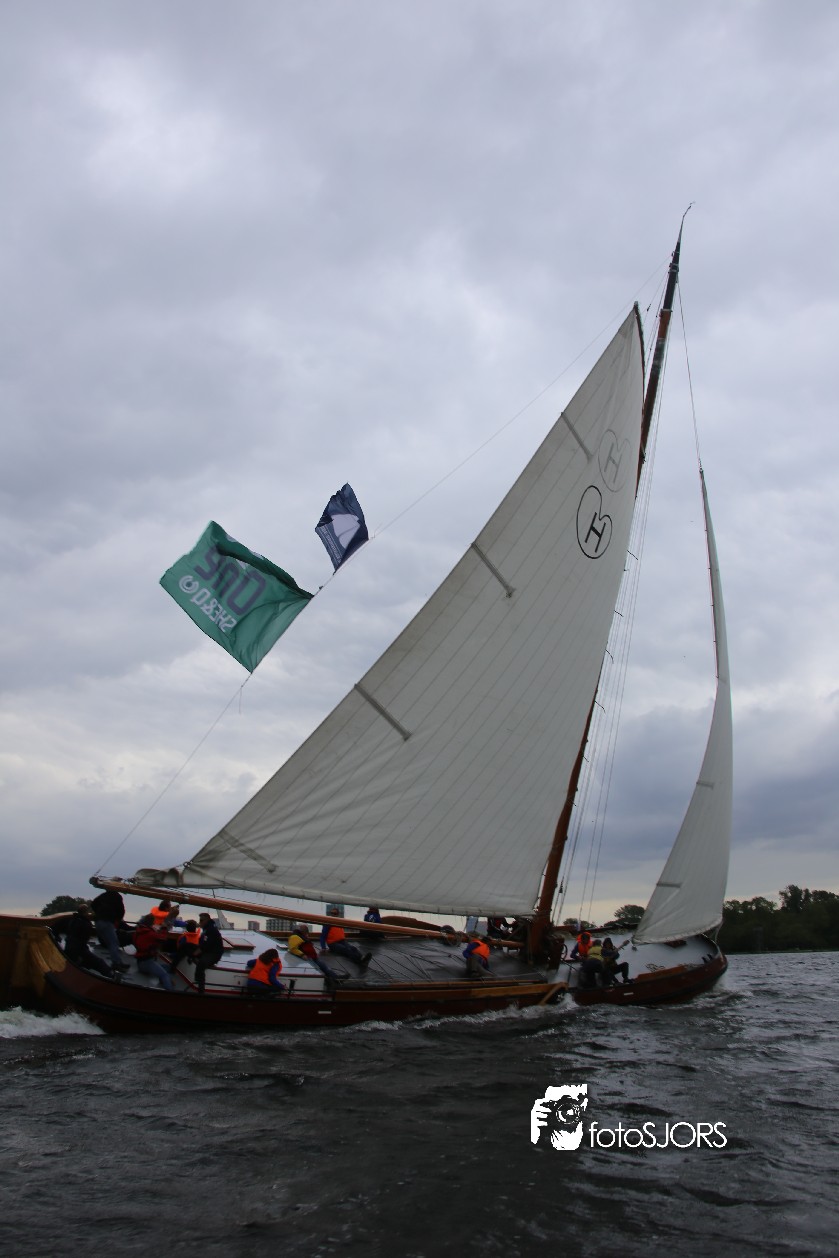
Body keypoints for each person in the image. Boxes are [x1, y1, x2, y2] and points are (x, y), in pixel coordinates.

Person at [63, 904, 114, 979]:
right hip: (78, 950)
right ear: (86, 912)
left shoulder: (73, 921)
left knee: (89, 962)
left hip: (69, 948)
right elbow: (83, 939)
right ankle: (111, 978)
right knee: (99, 963)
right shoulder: (84, 923)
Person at [91, 887, 130, 971]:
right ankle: (116, 963)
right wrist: (117, 919)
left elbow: (93, 904)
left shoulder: (103, 896)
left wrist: (98, 913)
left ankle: (118, 961)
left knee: (110, 943)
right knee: (114, 943)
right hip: (107, 922)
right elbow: (121, 910)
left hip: (98, 922)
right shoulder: (117, 896)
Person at [132, 915, 174, 991]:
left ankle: (163, 981)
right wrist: (164, 928)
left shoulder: (138, 931)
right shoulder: (150, 933)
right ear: (152, 923)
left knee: (168, 967)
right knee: (164, 975)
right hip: (147, 962)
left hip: (140, 961)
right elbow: (163, 938)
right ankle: (170, 992)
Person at [194, 913, 225, 994]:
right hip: (208, 951)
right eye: (199, 920)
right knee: (187, 946)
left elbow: (206, 945)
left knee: (202, 963)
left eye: (201, 920)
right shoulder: (206, 929)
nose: (200, 922)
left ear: (207, 920)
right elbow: (202, 943)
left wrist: (195, 954)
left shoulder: (211, 930)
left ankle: (201, 989)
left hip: (214, 953)